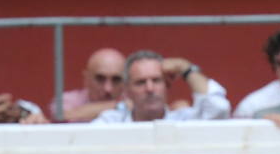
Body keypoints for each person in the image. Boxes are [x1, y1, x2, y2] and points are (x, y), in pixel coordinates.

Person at [92, 51, 230, 123]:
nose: (150, 88)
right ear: (127, 90)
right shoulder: (112, 122)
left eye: (156, 80)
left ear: (167, 85)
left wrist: (185, 68)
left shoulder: (184, 120)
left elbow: (219, 109)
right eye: (140, 82)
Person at [57, 48, 126, 122]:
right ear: (86, 79)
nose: (108, 89)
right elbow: (62, 116)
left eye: (116, 79)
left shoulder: (133, 98)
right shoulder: (68, 101)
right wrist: (121, 106)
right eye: (100, 79)